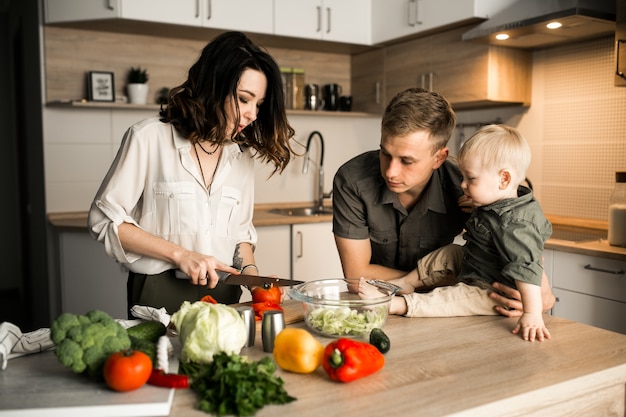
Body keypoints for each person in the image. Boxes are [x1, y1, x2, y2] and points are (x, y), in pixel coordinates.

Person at [88, 31, 295, 316]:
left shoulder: (241, 156)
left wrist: (254, 278)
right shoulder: (149, 138)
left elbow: (240, 236)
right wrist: (181, 255)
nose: (252, 115)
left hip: (226, 293)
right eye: (244, 99)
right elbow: (103, 220)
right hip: (158, 291)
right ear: (213, 86)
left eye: (258, 104)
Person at [332, 87, 555, 318]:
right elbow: (357, 277)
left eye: (407, 161)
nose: (390, 171)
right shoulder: (353, 180)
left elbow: (520, 238)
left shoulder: (469, 184)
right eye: (385, 153)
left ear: (439, 157)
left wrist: (542, 296)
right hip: (386, 306)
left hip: (454, 308)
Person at [360, 124, 552, 341]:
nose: (463, 185)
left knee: (457, 297)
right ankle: (407, 282)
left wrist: (532, 313)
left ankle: (396, 304)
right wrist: (478, 205)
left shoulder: (517, 224)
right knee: (452, 252)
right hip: (478, 264)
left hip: (492, 289)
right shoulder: (497, 200)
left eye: (471, 179)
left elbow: (526, 268)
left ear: (504, 180)